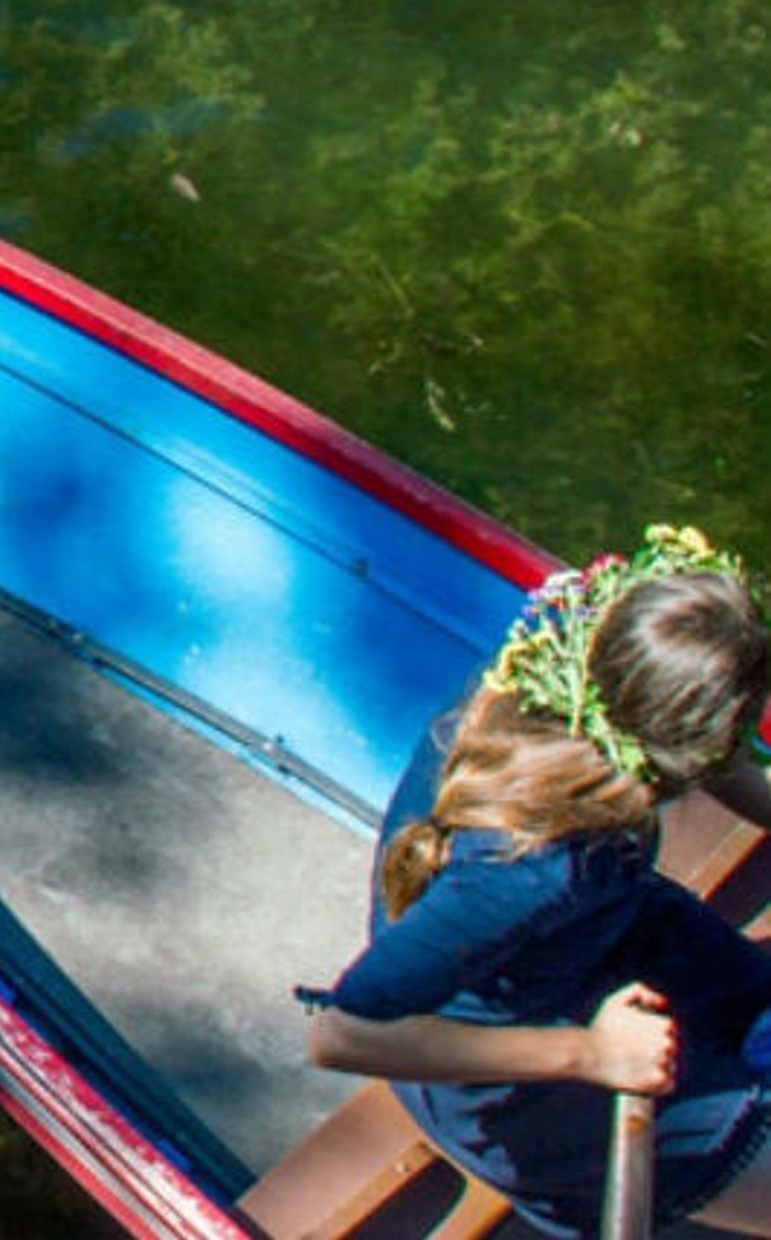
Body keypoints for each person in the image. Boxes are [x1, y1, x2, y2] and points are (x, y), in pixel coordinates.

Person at [301, 526, 771, 1237]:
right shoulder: (531, 869)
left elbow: (722, 761)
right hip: (516, 1088)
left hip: (604, 933)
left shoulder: (577, 669)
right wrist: (594, 1054)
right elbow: (343, 1036)